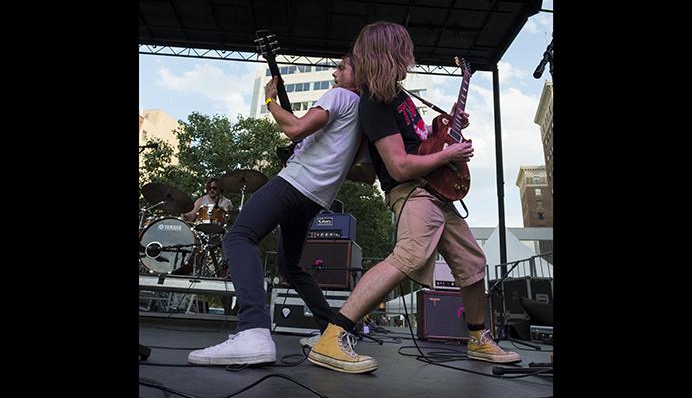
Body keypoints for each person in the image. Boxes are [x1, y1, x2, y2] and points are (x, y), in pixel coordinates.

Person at [308, 21, 522, 374]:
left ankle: (477, 339)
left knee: (473, 263)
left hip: (436, 191)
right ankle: (333, 336)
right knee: (407, 257)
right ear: (389, 52)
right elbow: (400, 164)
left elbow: (421, 145)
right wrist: (448, 156)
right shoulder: (375, 104)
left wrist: (448, 128)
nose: (410, 56)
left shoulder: (402, 97)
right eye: (404, 49)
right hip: (412, 192)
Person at [187, 55, 363, 365]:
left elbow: (294, 128)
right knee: (290, 267)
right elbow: (364, 172)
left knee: (238, 238)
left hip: (295, 183)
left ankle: (253, 329)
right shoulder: (363, 114)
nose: (334, 73)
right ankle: (331, 333)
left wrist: (269, 99)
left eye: (342, 67)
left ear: (359, 75)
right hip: (315, 199)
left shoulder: (339, 96)